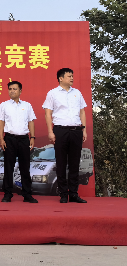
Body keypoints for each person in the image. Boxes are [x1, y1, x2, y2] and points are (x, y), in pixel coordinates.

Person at [43, 68, 88, 203]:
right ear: (61, 78)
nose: (72, 78)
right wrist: (50, 131)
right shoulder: (52, 93)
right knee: (61, 163)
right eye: (69, 76)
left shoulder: (77, 93)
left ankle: (73, 193)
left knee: (75, 163)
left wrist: (84, 129)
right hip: (60, 130)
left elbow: (82, 112)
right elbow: (48, 113)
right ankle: (63, 194)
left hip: (76, 130)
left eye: (72, 76)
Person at [0, 81, 38, 203]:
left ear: (20, 91)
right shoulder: (4, 105)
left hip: (24, 139)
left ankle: (27, 194)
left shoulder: (27, 105)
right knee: (8, 167)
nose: (12, 91)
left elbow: (31, 121)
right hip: (9, 139)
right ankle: (7, 194)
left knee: (25, 167)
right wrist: (1, 138)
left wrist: (32, 137)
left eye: (14, 89)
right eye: (10, 89)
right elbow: (1, 122)